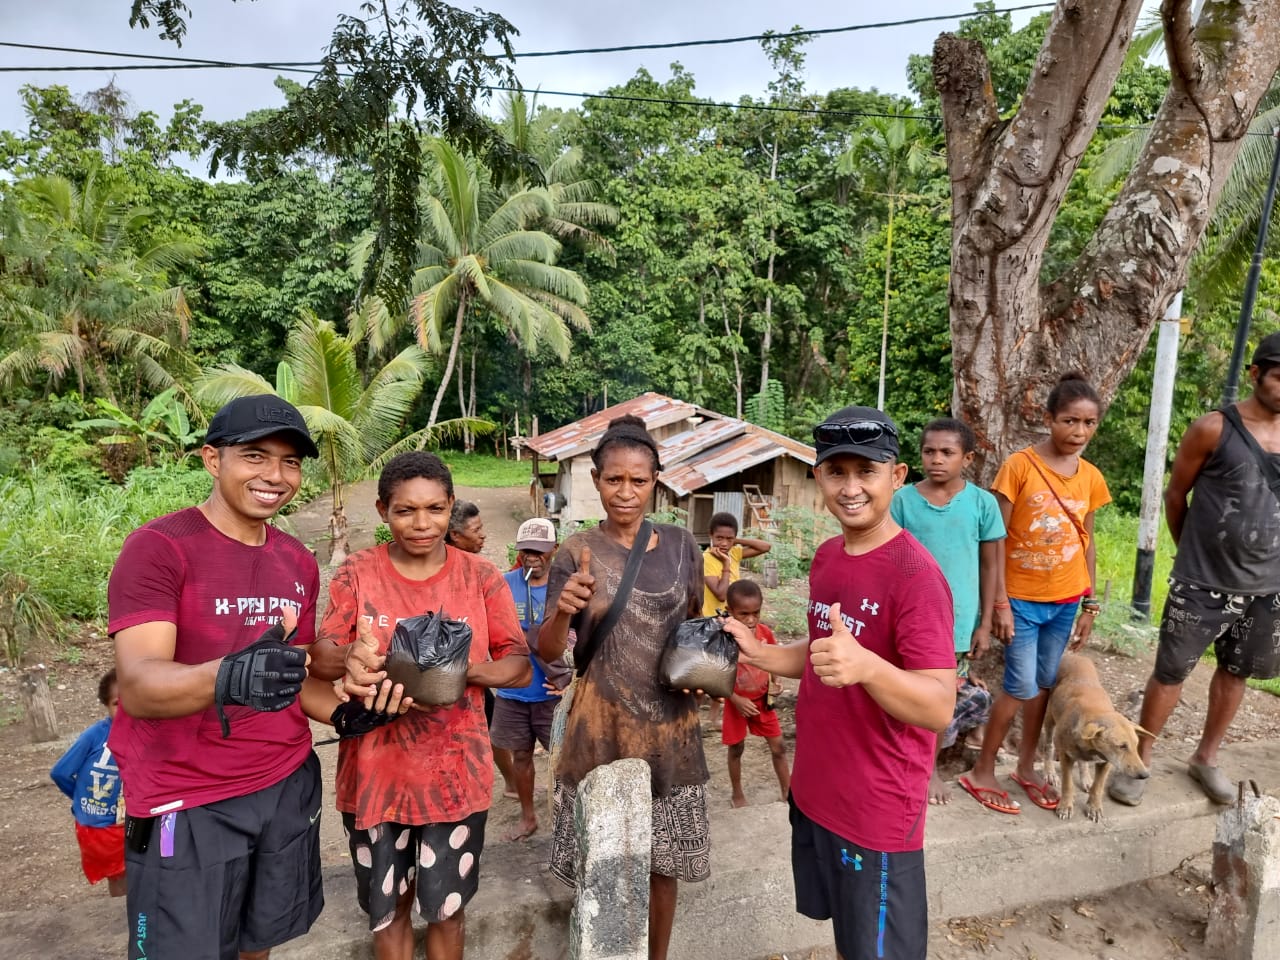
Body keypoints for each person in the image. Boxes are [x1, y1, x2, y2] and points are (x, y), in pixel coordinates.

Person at [724, 404, 956, 960]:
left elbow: (938, 706)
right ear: (818, 477)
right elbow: (827, 651)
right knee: (849, 945)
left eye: (866, 471)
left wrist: (869, 668)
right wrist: (763, 652)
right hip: (818, 792)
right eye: (836, 472)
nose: (851, 488)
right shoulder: (829, 557)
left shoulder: (917, 578)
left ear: (896, 476)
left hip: (875, 812)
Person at [108, 394, 324, 960]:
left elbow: (290, 678)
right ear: (212, 459)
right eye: (255, 456)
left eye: (291, 462)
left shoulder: (298, 560)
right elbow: (140, 684)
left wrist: (351, 709)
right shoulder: (160, 548)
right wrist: (230, 674)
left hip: (282, 781)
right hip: (189, 795)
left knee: (260, 943)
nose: (275, 476)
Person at [309, 451, 529, 960]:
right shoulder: (357, 574)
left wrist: (454, 673)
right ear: (384, 510)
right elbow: (321, 657)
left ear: (451, 507)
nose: (422, 523)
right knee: (389, 914)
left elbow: (516, 663)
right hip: (374, 781)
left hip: (457, 778)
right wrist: (353, 656)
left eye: (434, 508)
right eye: (406, 510)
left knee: (448, 913)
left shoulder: (480, 576)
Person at [536, 414, 707, 960]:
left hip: (671, 728)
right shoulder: (575, 551)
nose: (626, 492)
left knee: (661, 865)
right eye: (614, 480)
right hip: (600, 726)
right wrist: (563, 610)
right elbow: (546, 651)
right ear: (595, 479)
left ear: (656, 479)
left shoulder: (683, 546)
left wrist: (710, 673)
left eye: (638, 480)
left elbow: (695, 628)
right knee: (602, 859)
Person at [1110, 333, 1280, 807]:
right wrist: (1192, 555)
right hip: (1203, 582)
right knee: (1170, 672)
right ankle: (1138, 762)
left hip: (1269, 586)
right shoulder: (1213, 429)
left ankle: (1206, 758)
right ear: (1255, 374)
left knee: (1237, 672)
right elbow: (1174, 495)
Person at [960, 373, 1111, 816]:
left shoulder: (1091, 478)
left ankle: (1026, 767)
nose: (1078, 432)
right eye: (1069, 421)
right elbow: (995, 538)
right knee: (1019, 686)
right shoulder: (1020, 466)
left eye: (1088, 423)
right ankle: (982, 770)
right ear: (1048, 419)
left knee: (1043, 686)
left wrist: (1090, 602)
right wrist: (1001, 603)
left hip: (1065, 601)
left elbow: (1089, 540)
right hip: (1021, 601)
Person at [890, 417, 1005, 804]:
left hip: (957, 626)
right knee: (903, 695)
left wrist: (985, 622)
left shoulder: (982, 504)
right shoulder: (902, 500)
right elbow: (890, 558)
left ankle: (929, 769)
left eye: (947, 452)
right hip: (908, 619)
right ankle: (896, 764)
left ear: (967, 458)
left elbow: (990, 566)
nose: (936, 459)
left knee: (942, 702)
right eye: (929, 451)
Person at [492, 517, 565, 842]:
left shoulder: (565, 589)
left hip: (554, 695)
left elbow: (583, 636)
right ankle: (528, 817)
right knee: (520, 756)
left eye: (539, 551)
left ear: (555, 549)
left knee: (564, 761)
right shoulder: (504, 584)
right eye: (526, 551)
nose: (532, 558)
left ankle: (567, 819)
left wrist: (570, 678)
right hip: (514, 693)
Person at [50, 668, 126, 897]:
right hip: (100, 826)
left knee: (133, 871)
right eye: (116, 703)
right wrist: (81, 798)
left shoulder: (142, 732)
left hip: (124, 821)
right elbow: (60, 772)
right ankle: (126, 924)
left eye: (131, 701)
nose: (124, 710)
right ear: (105, 705)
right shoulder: (94, 735)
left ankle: (132, 918)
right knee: (120, 875)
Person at [721, 579, 790, 808]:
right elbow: (715, 675)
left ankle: (787, 793)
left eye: (756, 613)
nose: (751, 619)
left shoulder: (765, 633)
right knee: (736, 748)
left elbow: (774, 661)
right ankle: (737, 794)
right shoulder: (723, 638)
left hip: (762, 701)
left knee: (779, 746)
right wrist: (735, 699)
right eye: (744, 614)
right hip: (737, 702)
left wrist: (775, 683)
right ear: (730, 611)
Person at [702, 511, 772, 615]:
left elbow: (765, 547)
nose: (724, 544)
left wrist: (736, 540)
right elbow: (722, 595)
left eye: (729, 539)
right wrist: (726, 563)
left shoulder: (733, 553)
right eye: (719, 538)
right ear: (710, 535)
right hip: (713, 618)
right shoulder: (706, 558)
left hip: (731, 616)